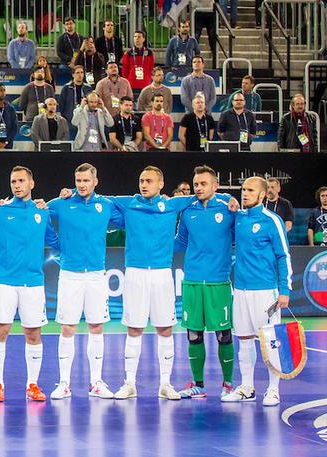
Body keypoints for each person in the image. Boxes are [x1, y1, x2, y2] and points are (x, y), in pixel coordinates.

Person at [109, 166, 226, 401]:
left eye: (149, 181)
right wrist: (69, 191)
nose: (144, 184)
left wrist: (230, 198)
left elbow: (208, 194)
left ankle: (165, 384)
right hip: (134, 273)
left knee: (165, 328)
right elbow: (95, 197)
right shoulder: (128, 203)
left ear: (161, 184)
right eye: (141, 180)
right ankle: (129, 383)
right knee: (134, 329)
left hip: (162, 274)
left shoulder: (174, 204)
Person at [0, 166, 58, 402]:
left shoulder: (42, 212)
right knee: (0, 330)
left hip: (33, 283)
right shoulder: (0, 212)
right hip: (4, 282)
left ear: (31, 184)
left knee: (33, 333)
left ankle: (32, 385)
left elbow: (54, 240)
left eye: (21, 181)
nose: (17, 185)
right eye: (13, 181)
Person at [47, 164, 121, 399]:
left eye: (86, 180)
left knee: (96, 327)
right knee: (68, 327)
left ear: (95, 181)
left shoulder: (106, 206)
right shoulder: (62, 202)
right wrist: (57, 243)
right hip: (70, 274)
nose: (81, 185)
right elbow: (36, 212)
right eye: (78, 180)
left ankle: (96, 382)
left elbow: (131, 220)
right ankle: (64, 383)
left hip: (97, 275)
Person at [224, 177, 292, 406]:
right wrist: (230, 199)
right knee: (244, 339)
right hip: (241, 291)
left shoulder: (272, 220)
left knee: (272, 341)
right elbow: (223, 202)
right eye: (243, 190)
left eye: (250, 190)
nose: (245, 193)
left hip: (266, 292)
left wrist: (285, 290)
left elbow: (284, 256)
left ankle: (273, 389)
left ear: (262, 195)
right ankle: (247, 387)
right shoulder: (239, 218)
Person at [174, 166, 236, 400]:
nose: (198, 188)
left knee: (224, 335)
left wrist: (231, 199)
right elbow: (179, 242)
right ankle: (198, 385)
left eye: (203, 184)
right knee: (193, 335)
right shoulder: (188, 211)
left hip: (218, 283)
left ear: (215, 186)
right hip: (191, 282)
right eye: (196, 184)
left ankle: (228, 384)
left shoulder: (229, 208)